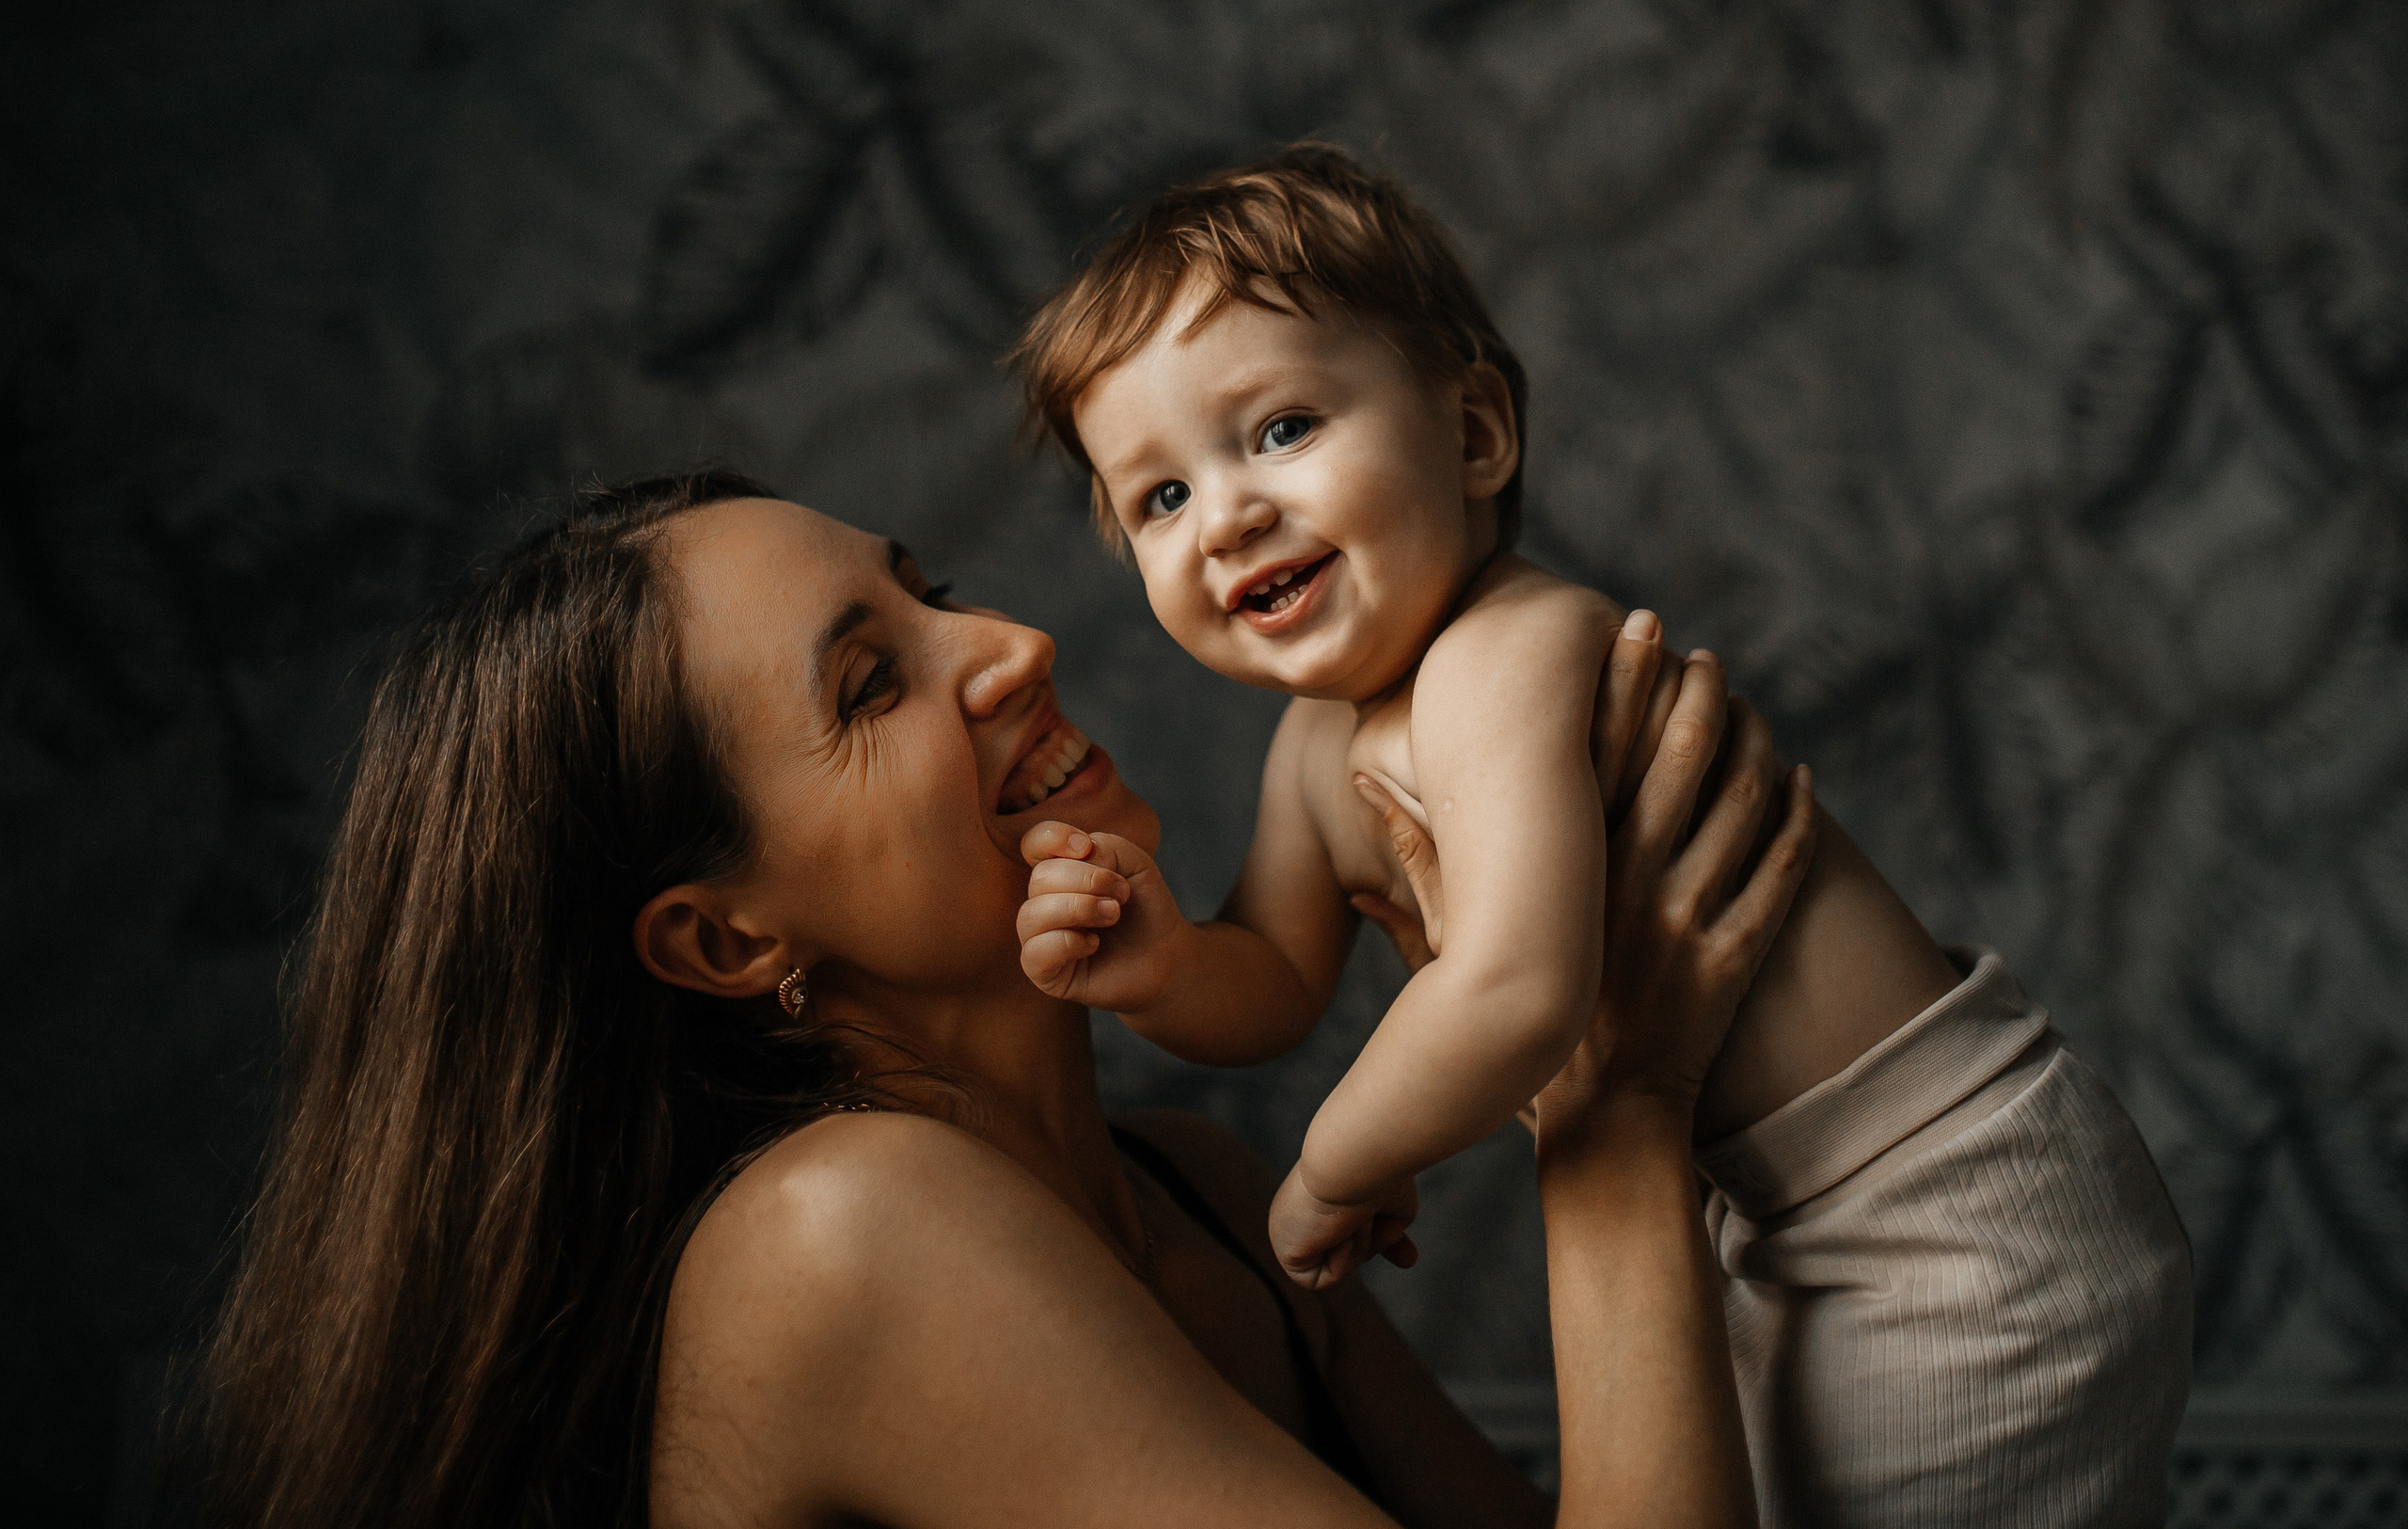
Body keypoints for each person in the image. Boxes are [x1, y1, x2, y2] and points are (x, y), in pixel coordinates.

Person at [193, 471, 1814, 1528]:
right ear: (723, 944)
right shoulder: (844, 1233)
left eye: (933, 588)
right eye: (871, 682)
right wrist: (1610, 1097)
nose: (1015, 644)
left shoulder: (1204, 1188)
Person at [1008, 145, 2193, 1522]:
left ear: (1472, 436)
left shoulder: (1511, 648)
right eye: (1158, 496)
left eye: (1279, 429)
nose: (1227, 512)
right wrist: (1160, 964)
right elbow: (1272, 980)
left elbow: (1519, 986)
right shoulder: (1316, 745)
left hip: (1951, 1213)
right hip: (1791, 1226)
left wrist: (1341, 1161)